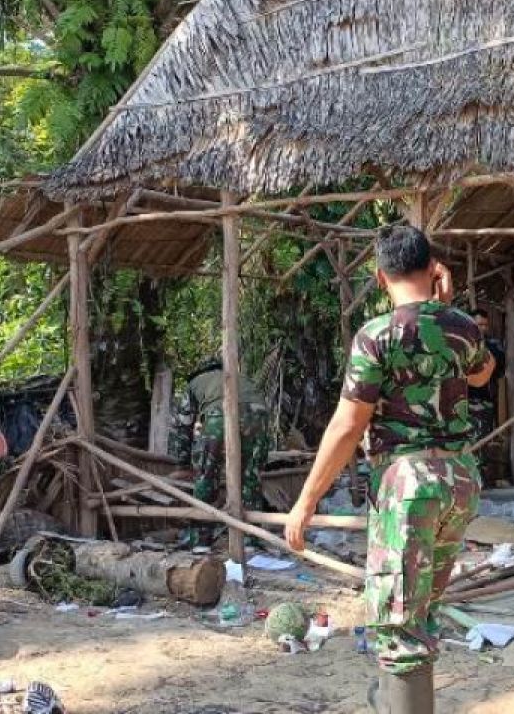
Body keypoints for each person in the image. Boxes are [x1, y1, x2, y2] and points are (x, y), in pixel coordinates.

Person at [285, 225, 495, 714]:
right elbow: (483, 373)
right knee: (420, 609)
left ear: (381, 277)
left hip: (409, 484)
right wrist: (448, 305)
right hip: (460, 482)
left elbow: (349, 422)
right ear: (431, 268)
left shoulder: (376, 335)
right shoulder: (463, 325)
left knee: (399, 621)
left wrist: (307, 499)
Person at [169, 360, 271, 547]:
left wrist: (182, 463)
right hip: (259, 416)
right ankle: (250, 539)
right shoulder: (241, 378)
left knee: (207, 477)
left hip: (220, 414)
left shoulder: (195, 383)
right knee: (251, 477)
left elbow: (183, 426)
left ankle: (200, 540)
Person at [468, 308, 506, 484]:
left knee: (481, 441)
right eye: (478, 324)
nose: (482, 328)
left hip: (483, 401)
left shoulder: (492, 347)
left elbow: (498, 370)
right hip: (461, 402)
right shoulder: (462, 344)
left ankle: (479, 482)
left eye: (484, 325)